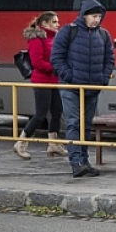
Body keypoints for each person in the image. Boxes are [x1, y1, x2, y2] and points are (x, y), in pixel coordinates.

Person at [50, 0, 115, 178]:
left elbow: (109, 58)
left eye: (99, 17)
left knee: (86, 126)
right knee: (73, 123)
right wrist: (70, 77)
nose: (97, 20)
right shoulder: (67, 32)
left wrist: (103, 79)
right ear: (84, 15)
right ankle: (76, 162)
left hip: (92, 87)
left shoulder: (103, 35)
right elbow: (56, 58)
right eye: (94, 16)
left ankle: (84, 161)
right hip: (71, 87)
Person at [15, 11, 67, 159]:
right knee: (40, 114)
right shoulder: (37, 39)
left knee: (57, 112)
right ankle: (21, 142)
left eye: (58, 22)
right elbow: (37, 63)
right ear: (45, 24)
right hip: (42, 81)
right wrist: (55, 68)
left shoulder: (54, 39)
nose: (58, 24)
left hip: (54, 81)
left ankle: (53, 143)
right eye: (55, 22)